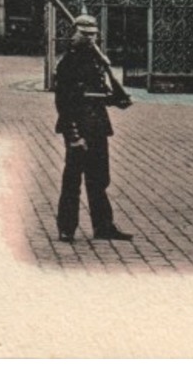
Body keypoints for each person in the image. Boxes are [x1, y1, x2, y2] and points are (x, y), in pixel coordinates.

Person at [53, 13, 134, 243]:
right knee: (72, 180)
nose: (90, 40)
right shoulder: (68, 63)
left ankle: (103, 226)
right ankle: (67, 227)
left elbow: (100, 95)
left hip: (98, 126)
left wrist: (118, 100)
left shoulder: (97, 61)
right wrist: (73, 135)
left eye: (93, 35)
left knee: (99, 179)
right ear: (76, 36)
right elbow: (64, 103)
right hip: (79, 126)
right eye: (85, 35)